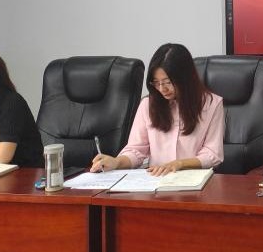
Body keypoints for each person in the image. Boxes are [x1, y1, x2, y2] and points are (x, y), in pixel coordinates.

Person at [90, 43, 224, 176]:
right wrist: (116, 162)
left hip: (195, 179)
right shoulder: (148, 105)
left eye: (167, 82)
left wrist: (179, 164)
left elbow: (213, 154)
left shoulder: (211, 104)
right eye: (156, 82)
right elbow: (136, 150)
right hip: (157, 180)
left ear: (185, 78)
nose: (162, 88)